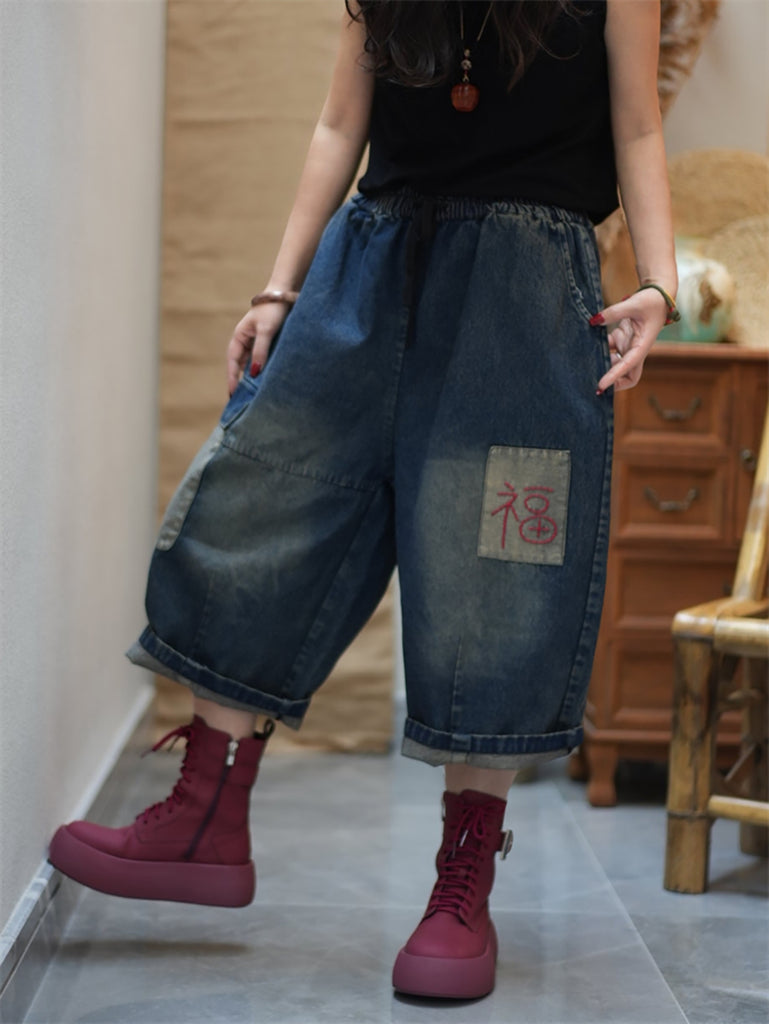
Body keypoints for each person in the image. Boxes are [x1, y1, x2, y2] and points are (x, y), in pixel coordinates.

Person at [50, 0, 678, 1001]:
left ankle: (460, 886)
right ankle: (206, 813)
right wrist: (277, 291)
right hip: (368, 262)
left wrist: (659, 282)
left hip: (526, 297)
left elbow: (637, 124)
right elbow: (339, 123)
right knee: (266, 497)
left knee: (495, 573)